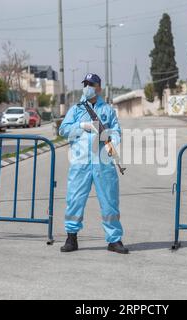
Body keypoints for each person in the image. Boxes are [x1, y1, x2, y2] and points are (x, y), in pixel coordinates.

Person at [58, 73, 129, 255]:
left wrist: (108, 136)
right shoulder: (76, 110)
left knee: (109, 202)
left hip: (103, 162)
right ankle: (71, 238)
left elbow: (117, 132)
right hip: (80, 162)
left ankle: (114, 240)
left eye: (91, 83)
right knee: (74, 200)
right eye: (86, 83)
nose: (88, 86)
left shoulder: (107, 110)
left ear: (99, 87)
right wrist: (82, 126)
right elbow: (63, 130)